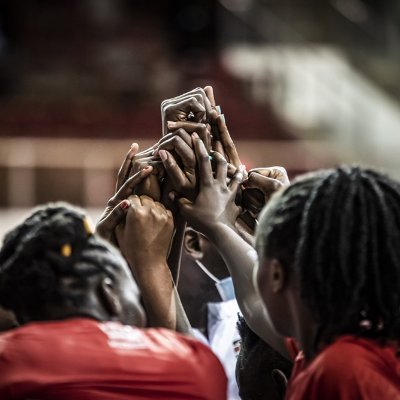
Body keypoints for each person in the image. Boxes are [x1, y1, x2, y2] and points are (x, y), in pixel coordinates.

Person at [0, 201, 227, 399]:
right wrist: (148, 263)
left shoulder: (8, 360)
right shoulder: (195, 366)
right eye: (132, 288)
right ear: (109, 294)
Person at [255, 166, 400, 399]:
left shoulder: (341, 372)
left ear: (276, 275)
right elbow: (254, 309)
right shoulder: (358, 342)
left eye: (257, 255)